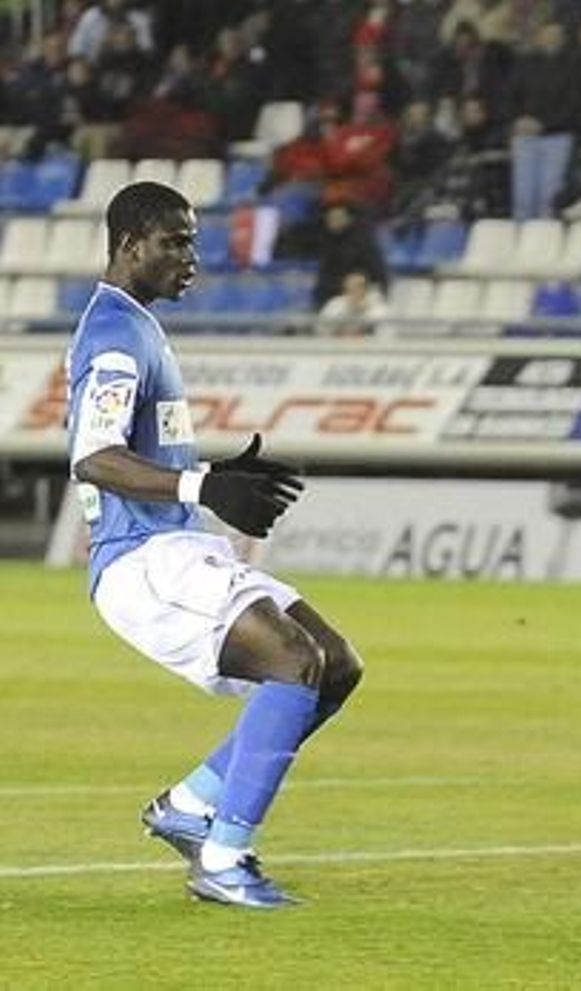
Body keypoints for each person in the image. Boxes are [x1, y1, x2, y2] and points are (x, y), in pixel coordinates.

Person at [65, 181, 364, 908]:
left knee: (335, 664)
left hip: (175, 547)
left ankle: (191, 805)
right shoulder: (113, 335)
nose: (191, 259)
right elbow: (94, 456)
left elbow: (139, 448)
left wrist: (220, 475)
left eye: (193, 243)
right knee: (293, 660)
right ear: (130, 244)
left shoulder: (137, 324)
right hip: (141, 560)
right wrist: (204, 487)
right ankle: (225, 860)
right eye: (175, 242)